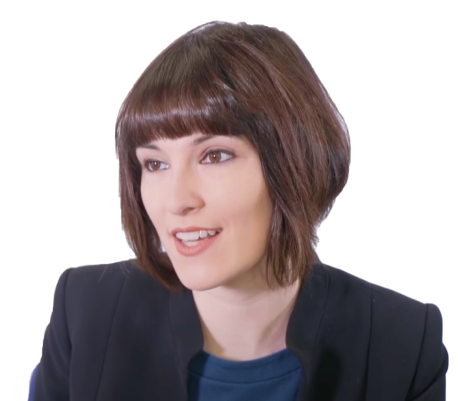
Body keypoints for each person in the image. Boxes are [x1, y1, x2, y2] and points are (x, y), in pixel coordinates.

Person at [30, 20, 448, 400]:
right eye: (155, 164)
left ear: (295, 162)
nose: (177, 200)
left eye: (214, 156)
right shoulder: (86, 310)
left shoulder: (402, 341)